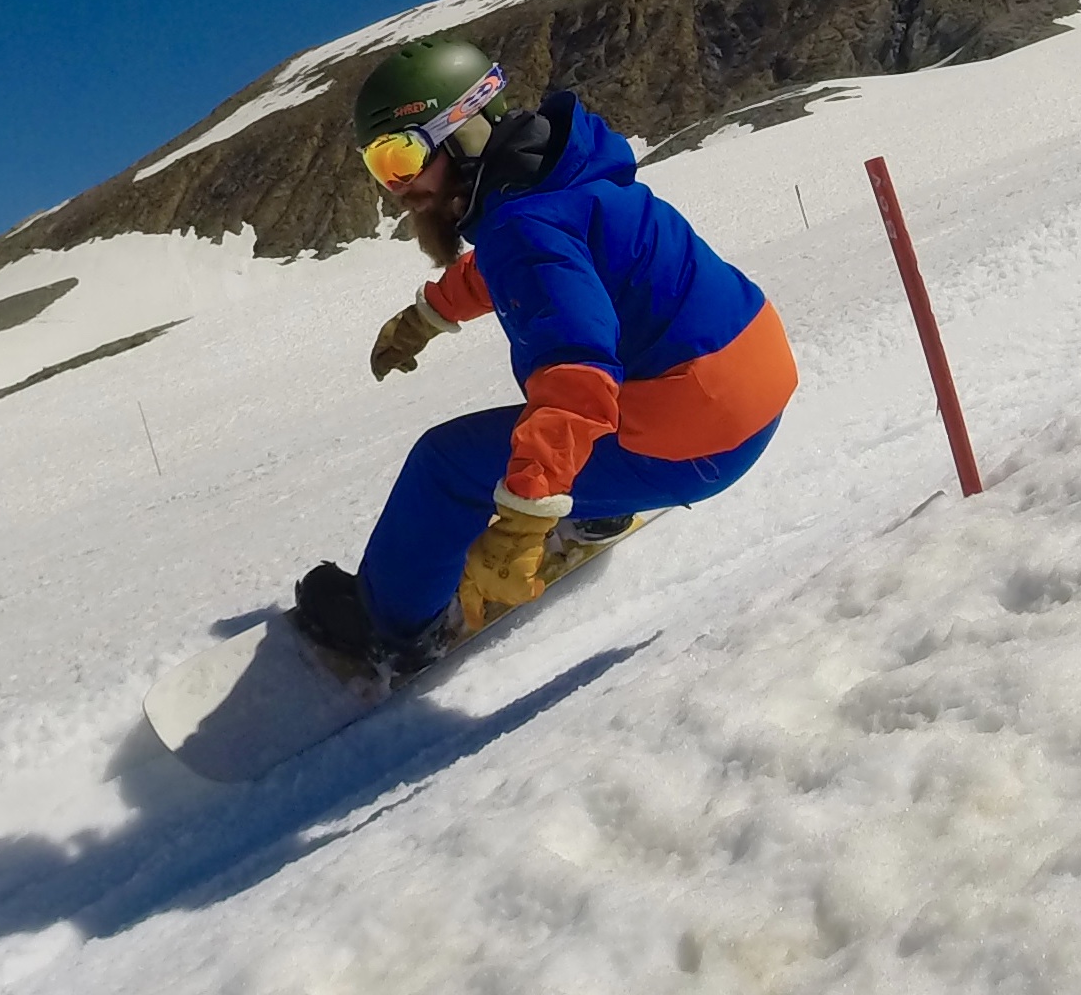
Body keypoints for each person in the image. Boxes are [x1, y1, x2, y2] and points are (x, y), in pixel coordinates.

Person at [290, 37, 797, 675]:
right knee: (588, 395)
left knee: (444, 466)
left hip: (700, 439)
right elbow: (521, 270)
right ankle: (600, 511)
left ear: (463, 133)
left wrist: (527, 514)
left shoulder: (520, 227)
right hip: (748, 381)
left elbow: (577, 371)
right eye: (379, 167)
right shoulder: (555, 180)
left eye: (404, 156)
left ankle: (389, 627)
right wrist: (429, 316)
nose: (399, 189)